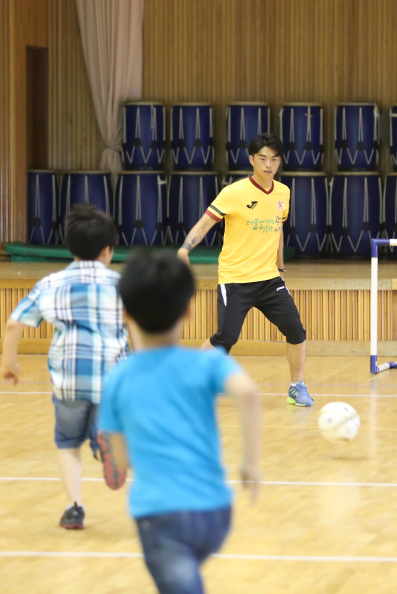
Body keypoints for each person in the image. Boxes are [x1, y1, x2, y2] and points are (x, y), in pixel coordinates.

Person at [98, 251, 261, 594]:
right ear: (188, 310)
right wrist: (251, 462)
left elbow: (122, 461)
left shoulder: (118, 379)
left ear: (126, 314)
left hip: (160, 515)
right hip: (215, 514)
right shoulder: (206, 364)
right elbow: (247, 392)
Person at [1, 204, 129, 530]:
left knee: (67, 442)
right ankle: (106, 442)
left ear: (70, 247)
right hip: (112, 377)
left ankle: (74, 507)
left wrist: (10, 363)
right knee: (113, 429)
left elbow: (14, 325)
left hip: (69, 379)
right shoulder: (121, 285)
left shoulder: (51, 283)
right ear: (107, 250)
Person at [176, 133, 313, 407]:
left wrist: (281, 268)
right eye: (262, 158)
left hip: (269, 279)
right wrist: (184, 250)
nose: (268, 164)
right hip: (235, 279)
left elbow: (277, 229)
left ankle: (296, 387)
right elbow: (204, 224)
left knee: (296, 331)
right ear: (251, 160)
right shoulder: (233, 193)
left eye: (274, 159)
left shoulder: (283, 192)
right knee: (225, 338)